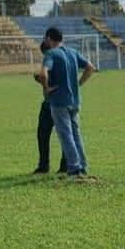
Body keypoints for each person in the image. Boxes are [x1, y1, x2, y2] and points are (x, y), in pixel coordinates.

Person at [39, 27, 97, 177]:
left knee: (66, 135)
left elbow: (43, 74)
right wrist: (79, 83)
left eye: (46, 38)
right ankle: (82, 166)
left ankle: (74, 168)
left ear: (49, 39)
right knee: (76, 134)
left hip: (59, 102)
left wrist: (47, 90)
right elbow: (90, 68)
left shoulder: (51, 54)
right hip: (75, 100)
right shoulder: (72, 52)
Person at [33, 41, 67, 175]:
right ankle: (61, 166)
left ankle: (45, 166)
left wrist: (46, 86)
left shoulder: (53, 59)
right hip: (53, 103)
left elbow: (44, 75)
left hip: (55, 103)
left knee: (45, 134)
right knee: (63, 135)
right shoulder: (62, 58)